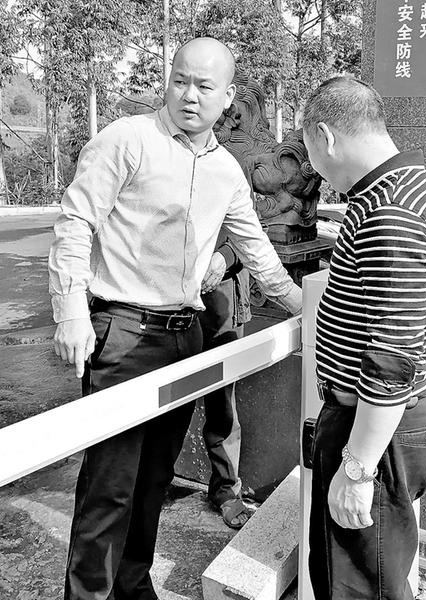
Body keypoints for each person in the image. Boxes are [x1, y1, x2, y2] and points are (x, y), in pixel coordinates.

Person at [49, 37, 301, 600]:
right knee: (109, 486)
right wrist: (70, 312)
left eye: (205, 86)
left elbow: (256, 248)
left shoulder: (226, 170)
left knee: (152, 482)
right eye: (180, 80)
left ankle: (133, 587)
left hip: (184, 337)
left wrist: (302, 305)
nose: (189, 95)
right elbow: (75, 221)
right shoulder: (127, 139)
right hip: (122, 334)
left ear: (228, 97)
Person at [302, 76, 426, 600]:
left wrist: (358, 467)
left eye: (308, 151)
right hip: (378, 426)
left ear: (325, 137)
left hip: (374, 432)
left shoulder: (390, 211)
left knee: (360, 586)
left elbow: (393, 355)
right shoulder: (402, 187)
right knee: (362, 575)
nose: (313, 168)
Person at [200, 235, 252, 529]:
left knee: (223, 403)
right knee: (161, 397)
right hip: (166, 294)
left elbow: (252, 231)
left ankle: (226, 489)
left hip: (221, 294)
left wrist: (225, 256)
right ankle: (153, 480)